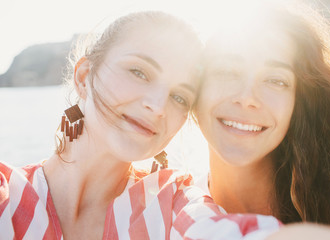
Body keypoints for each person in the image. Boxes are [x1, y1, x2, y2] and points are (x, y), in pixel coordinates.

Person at [0, 11, 282, 239]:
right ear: (84, 76)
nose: (158, 106)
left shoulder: (174, 206)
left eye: (179, 97)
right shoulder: (7, 196)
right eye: (139, 72)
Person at [194, 1, 330, 232]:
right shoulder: (161, 214)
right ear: (194, 87)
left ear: (299, 101)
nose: (247, 97)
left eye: (276, 80)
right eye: (227, 71)